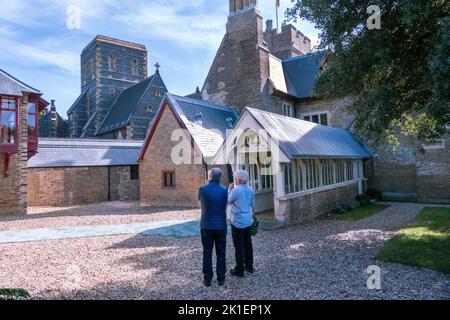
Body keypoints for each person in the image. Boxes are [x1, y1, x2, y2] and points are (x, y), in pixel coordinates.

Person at [198, 168, 228, 287]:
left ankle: (207, 279)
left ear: (209, 176)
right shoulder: (225, 190)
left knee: (207, 252)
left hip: (206, 225)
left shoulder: (202, 189)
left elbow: (199, 200)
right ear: (219, 177)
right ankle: (221, 279)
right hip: (220, 225)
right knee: (221, 253)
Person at [227, 169, 255, 278]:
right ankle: (249, 266)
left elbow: (228, 201)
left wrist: (229, 190)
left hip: (237, 221)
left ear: (238, 179)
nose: (234, 180)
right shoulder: (251, 190)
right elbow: (252, 203)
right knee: (248, 243)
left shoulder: (235, 190)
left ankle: (239, 269)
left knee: (238, 246)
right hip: (248, 219)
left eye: (235, 178)